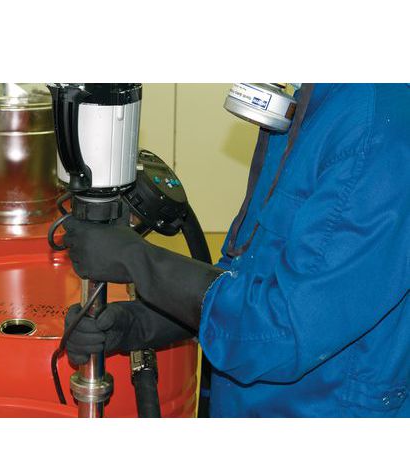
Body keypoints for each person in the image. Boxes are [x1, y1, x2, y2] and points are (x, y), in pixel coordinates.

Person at [63, 84, 409, 417]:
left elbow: (282, 330)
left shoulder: (375, 131)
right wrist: (141, 323)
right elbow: (246, 277)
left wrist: (138, 261)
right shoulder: (312, 105)